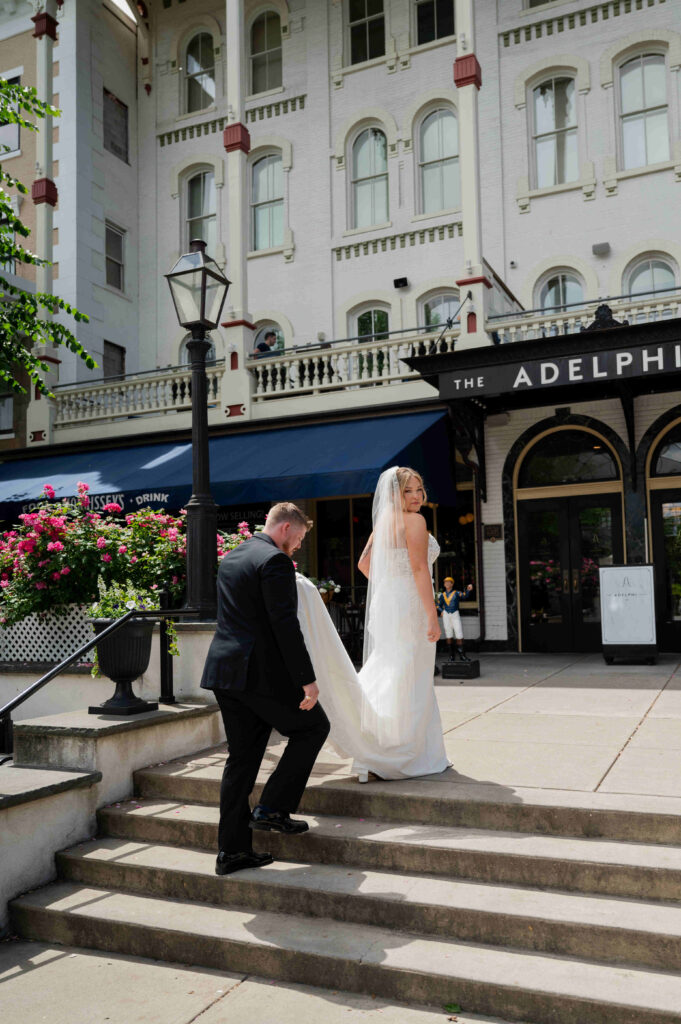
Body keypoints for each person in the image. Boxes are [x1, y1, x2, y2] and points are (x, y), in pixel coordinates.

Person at [294, 466, 450, 783]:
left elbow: (365, 564)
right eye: (409, 490)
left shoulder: (384, 523)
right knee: (410, 675)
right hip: (410, 606)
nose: (417, 496)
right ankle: (402, 752)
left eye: (420, 489)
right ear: (395, 493)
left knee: (391, 668)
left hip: (389, 604)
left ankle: (373, 746)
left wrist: (391, 583)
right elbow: (421, 570)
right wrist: (432, 615)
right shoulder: (415, 521)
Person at [200, 502, 330, 876]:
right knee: (313, 727)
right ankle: (272, 807)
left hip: (226, 674)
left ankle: (233, 852)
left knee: (241, 760)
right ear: (286, 528)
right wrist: (307, 679)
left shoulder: (234, 556)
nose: (299, 546)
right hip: (259, 675)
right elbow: (284, 626)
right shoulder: (274, 561)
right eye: (301, 538)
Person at [437, 577, 474, 662]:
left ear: (452, 584)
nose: (447, 584)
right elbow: (438, 605)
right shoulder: (442, 595)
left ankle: (462, 655)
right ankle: (451, 656)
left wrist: (468, 590)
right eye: (445, 582)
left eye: (449, 582)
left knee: (459, 633)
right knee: (448, 633)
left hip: (455, 614)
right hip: (446, 614)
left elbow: (464, 596)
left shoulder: (456, 593)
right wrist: (441, 611)